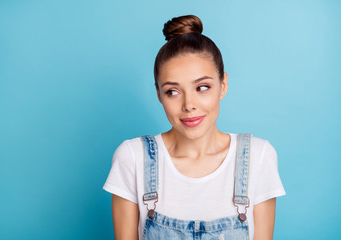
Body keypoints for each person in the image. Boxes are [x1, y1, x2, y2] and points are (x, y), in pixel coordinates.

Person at [103, 15, 285, 240]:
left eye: (202, 87)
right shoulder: (133, 157)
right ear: (159, 94)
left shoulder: (258, 157)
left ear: (223, 85)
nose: (189, 105)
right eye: (173, 91)